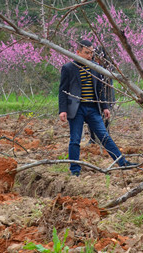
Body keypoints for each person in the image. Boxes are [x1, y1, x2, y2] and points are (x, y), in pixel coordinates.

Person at [58, 39, 135, 177]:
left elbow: (100, 89)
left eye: (91, 53)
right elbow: (63, 90)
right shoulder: (68, 68)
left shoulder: (95, 67)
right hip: (77, 109)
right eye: (86, 53)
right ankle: (74, 170)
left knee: (104, 136)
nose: (90, 56)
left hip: (93, 108)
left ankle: (122, 163)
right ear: (78, 52)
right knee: (75, 139)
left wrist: (105, 107)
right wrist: (62, 110)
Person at [86, 46, 115, 144]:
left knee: (105, 118)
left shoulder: (108, 68)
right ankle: (93, 138)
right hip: (93, 96)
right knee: (91, 118)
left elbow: (109, 83)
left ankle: (106, 137)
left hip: (106, 95)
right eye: (96, 57)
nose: (98, 60)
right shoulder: (91, 65)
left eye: (100, 58)